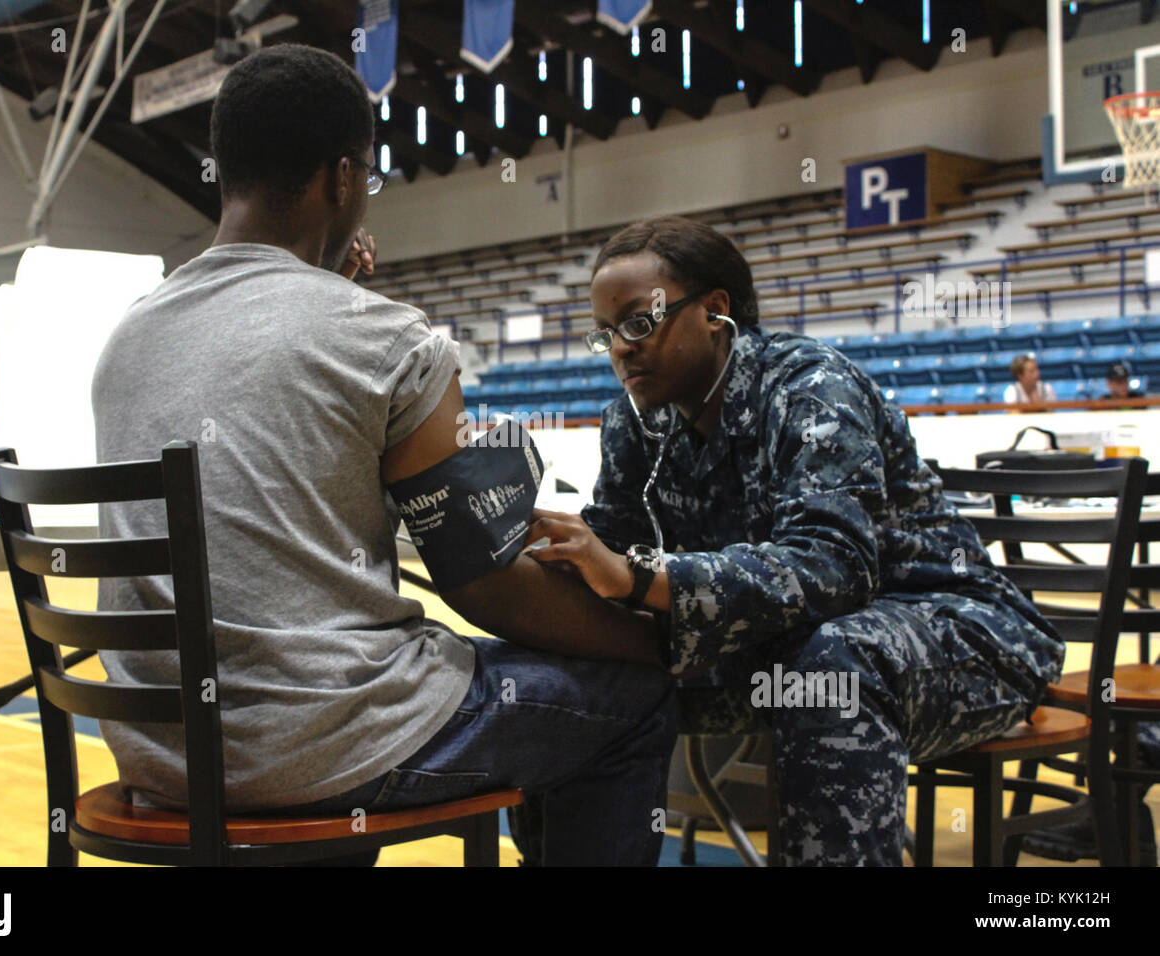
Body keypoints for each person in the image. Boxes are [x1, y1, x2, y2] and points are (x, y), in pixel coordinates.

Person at [90, 44, 678, 866]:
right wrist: (656, 636)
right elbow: (484, 589)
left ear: (223, 173)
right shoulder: (382, 336)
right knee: (633, 699)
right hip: (320, 752)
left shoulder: (127, 336)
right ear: (342, 179)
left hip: (163, 757)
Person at [525, 216, 1065, 866]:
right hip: (785, 651)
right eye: (606, 334)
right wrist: (536, 565)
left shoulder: (810, 388)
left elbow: (834, 567)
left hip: (963, 637)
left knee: (836, 666)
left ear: (715, 312)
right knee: (559, 677)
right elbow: (610, 555)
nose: (621, 349)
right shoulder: (635, 425)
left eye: (640, 323)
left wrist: (640, 578)